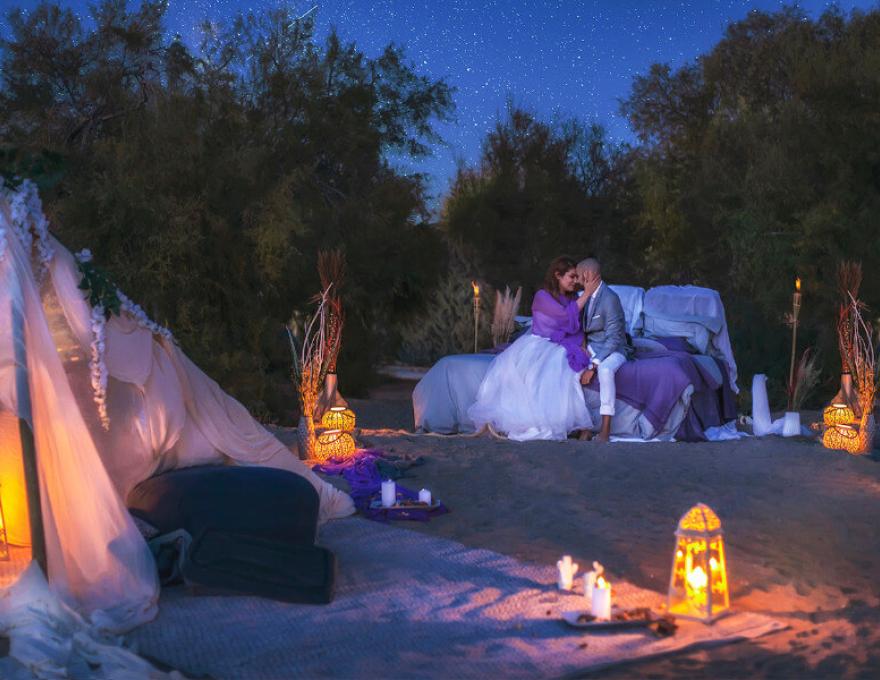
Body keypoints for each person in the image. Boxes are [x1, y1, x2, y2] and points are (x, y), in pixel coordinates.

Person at [467, 256, 594, 441]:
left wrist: (583, 345)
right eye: (571, 276)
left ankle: (576, 425)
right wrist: (587, 294)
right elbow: (565, 316)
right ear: (558, 275)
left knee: (566, 369)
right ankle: (533, 420)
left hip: (560, 343)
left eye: (577, 277)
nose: (575, 281)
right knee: (541, 370)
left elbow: (577, 325)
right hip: (540, 343)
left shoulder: (573, 298)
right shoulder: (543, 296)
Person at [577, 257, 630, 442]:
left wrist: (593, 366)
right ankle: (583, 426)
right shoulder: (585, 296)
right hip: (592, 347)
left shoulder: (610, 298)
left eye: (578, 276)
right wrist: (583, 346)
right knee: (571, 368)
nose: (577, 280)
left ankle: (605, 429)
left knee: (605, 371)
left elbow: (614, 338)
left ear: (587, 274)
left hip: (614, 349)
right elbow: (581, 328)